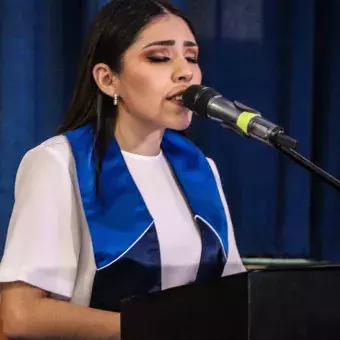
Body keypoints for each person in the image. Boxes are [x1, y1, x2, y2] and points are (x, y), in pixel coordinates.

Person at [0, 0, 245, 338]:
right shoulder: (61, 162)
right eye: (159, 57)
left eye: (191, 57)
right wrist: (151, 329)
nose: (185, 72)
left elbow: (233, 293)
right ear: (107, 79)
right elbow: (20, 315)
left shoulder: (201, 168)